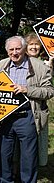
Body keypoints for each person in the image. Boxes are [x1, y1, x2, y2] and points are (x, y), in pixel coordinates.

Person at [0, 36, 54, 183]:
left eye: (17, 49)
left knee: (28, 155)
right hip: (6, 117)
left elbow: (49, 91)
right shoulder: (0, 65)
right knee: (4, 153)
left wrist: (27, 89)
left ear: (24, 49)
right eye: (11, 50)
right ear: (7, 51)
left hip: (28, 116)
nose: (14, 53)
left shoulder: (39, 66)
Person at [24, 32, 50, 166]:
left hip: (38, 110)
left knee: (36, 143)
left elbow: (49, 90)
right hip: (22, 110)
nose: (34, 47)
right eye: (31, 44)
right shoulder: (17, 62)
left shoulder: (44, 65)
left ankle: (33, 168)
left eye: (36, 44)